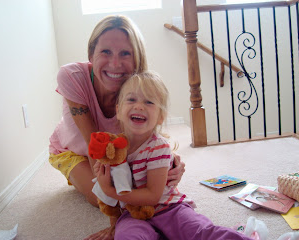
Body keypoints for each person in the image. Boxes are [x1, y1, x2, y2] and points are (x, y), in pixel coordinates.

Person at [48, 15, 185, 239]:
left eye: (125, 54)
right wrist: (116, 223)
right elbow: (95, 145)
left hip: (118, 153)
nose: (115, 64)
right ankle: (74, 177)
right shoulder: (71, 76)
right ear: (91, 54)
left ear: (137, 59)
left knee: (143, 185)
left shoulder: (138, 88)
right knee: (101, 197)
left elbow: (148, 138)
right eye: (105, 52)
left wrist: (170, 163)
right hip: (73, 150)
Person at [93, 71, 257, 240]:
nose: (139, 106)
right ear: (118, 111)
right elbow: (114, 180)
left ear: (160, 116)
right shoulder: (114, 149)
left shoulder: (158, 147)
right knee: (127, 236)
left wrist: (108, 190)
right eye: (131, 99)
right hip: (133, 213)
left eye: (149, 102)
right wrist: (103, 176)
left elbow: (152, 196)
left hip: (169, 208)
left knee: (201, 231)